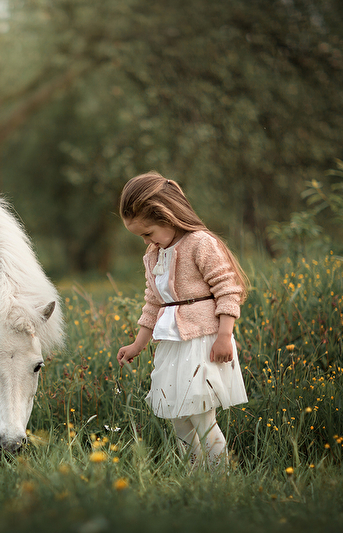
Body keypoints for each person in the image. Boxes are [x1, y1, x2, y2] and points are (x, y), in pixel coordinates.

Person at [116, 171, 249, 469]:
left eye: (148, 232)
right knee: (177, 416)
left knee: (201, 415)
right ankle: (196, 472)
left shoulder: (200, 243)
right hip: (172, 345)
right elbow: (153, 302)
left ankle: (220, 476)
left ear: (168, 217)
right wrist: (138, 344)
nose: (146, 241)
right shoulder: (153, 255)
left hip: (203, 341)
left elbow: (228, 289)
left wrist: (224, 335)